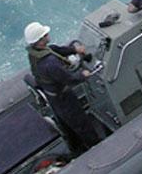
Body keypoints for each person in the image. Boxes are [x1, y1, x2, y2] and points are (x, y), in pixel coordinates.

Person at [24, 21, 100, 153]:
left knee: (68, 123)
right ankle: (95, 146)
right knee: (80, 122)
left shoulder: (36, 53)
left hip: (53, 96)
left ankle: (77, 146)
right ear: (40, 40)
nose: (48, 35)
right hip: (63, 98)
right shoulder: (50, 63)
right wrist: (83, 75)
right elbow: (69, 79)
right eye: (45, 34)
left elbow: (56, 50)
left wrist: (74, 49)